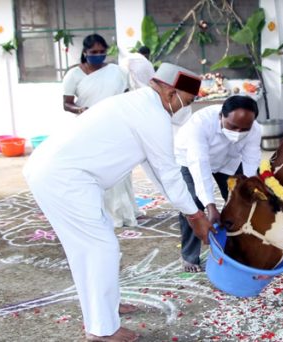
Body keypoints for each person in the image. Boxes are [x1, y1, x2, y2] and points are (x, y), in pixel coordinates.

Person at [24, 63, 214, 342]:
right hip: (64, 179)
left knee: (94, 249)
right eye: (187, 101)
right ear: (172, 92)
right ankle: (102, 331)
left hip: (68, 178)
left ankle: (106, 310)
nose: (188, 108)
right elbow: (169, 173)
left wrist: (189, 212)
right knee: (99, 249)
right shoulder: (152, 114)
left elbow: (156, 172)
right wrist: (195, 216)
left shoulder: (142, 105)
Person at [174, 95, 262, 272]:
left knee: (244, 201)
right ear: (220, 116)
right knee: (192, 205)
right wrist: (210, 206)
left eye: (244, 129)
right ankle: (190, 256)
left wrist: (246, 193)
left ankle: (237, 245)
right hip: (189, 159)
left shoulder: (255, 129)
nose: (238, 133)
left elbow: (251, 163)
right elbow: (200, 166)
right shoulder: (199, 125)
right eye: (232, 126)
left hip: (228, 161)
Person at [63, 33, 142, 227]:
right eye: (93, 52)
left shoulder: (117, 71)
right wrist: (80, 109)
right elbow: (66, 104)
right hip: (87, 127)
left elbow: (126, 97)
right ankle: (101, 212)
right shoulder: (74, 74)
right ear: (85, 53)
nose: (98, 55)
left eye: (101, 52)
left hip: (115, 126)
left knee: (120, 170)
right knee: (96, 169)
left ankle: (124, 211)